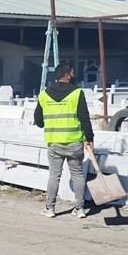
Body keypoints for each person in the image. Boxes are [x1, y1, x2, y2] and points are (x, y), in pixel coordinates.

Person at [34, 63, 94, 219]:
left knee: (54, 176)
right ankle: (79, 209)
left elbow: (38, 121)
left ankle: (50, 209)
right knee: (77, 175)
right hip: (74, 143)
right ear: (67, 75)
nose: (73, 74)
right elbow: (84, 118)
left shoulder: (44, 95)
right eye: (72, 72)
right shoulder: (77, 93)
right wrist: (90, 138)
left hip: (54, 143)